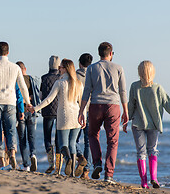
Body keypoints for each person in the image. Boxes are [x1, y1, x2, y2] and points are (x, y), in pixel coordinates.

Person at [124, 61, 170, 189]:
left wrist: (126, 120)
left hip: (138, 124)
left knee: (140, 153)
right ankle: (154, 178)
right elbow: (168, 104)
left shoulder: (135, 86)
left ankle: (144, 182)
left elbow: (130, 106)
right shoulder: (158, 88)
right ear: (152, 72)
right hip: (154, 124)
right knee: (152, 150)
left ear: (140, 72)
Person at [78, 42, 128, 183]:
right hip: (113, 105)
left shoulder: (92, 68)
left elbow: (86, 91)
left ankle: (97, 163)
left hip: (95, 105)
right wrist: (126, 110)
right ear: (111, 54)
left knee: (93, 134)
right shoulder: (118, 68)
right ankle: (109, 174)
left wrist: (81, 111)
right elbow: (123, 91)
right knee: (112, 140)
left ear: (99, 53)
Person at [0, 41, 31, 169]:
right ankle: (12, 154)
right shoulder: (15, 68)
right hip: (10, 102)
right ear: (8, 52)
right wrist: (28, 103)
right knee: (11, 130)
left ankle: (2, 159)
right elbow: (23, 87)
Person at [30, 59, 85, 177]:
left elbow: (49, 99)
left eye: (61, 67)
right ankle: (73, 173)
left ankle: (68, 158)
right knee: (72, 143)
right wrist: (83, 116)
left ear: (65, 68)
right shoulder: (78, 83)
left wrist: (35, 108)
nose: (59, 69)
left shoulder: (60, 83)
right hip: (76, 116)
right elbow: (82, 103)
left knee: (62, 144)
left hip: (64, 116)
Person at [15, 61, 41, 172]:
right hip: (31, 111)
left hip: (20, 111)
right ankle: (33, 155)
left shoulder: (16, 81)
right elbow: (35, 94)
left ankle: (26, 165)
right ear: (25, 68)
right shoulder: (32, 79)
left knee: (22, 139)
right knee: (32, 136)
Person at [40, 55, 61, 174]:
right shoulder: (61, 77)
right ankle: (58, 167)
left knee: (47, 137)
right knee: (58, 139)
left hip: (47, 111)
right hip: (59, 111)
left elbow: (41, 96)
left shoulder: (44, 78)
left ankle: (51, 162)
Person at [75, 53, 93, 179]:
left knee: (74, 139)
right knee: (88, 141)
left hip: (77, 110)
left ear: (79, 63)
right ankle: (86, 171)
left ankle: (80, 156)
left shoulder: (74, 76)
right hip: (91, 110)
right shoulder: (94, 75)